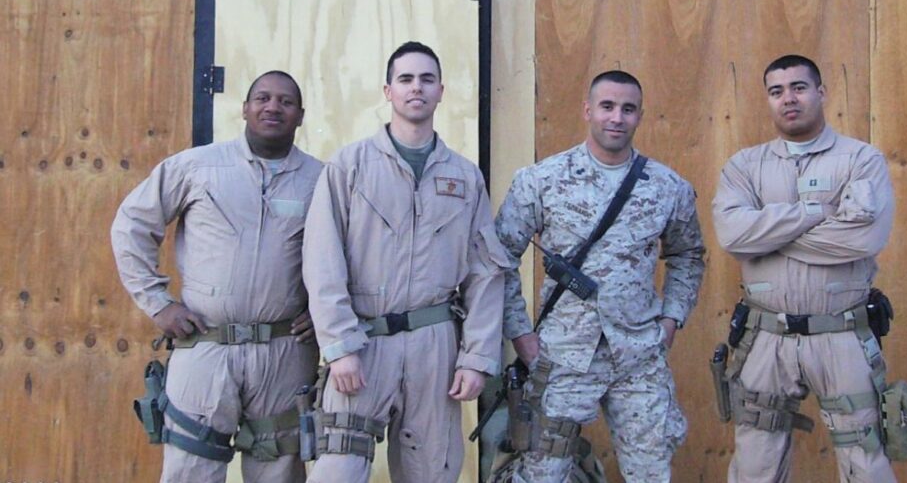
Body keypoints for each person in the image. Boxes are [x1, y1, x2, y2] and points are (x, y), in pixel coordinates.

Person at [302, 41, 508, 483]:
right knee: (336, 470)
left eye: (427, 79)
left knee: (431, 472)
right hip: (363, 342)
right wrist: (338, 346)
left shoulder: (464, 176)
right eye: (406, 79)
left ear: (441, 92)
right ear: (388, 90)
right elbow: (322, 259)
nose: (417, 88)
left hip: (435, 346)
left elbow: (485, 273)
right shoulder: (350, 165)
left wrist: (476, 357)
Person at [111, 71, 323, 483]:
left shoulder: (323, 180)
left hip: (285, 351)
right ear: (244, 108)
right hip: (205, 346)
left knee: (279, 468)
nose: (272, 107)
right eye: (262, 98)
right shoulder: (196, 167)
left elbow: (356, 254)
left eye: (285, 101)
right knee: (190, 467)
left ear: (300, 116)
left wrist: (325, 311)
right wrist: (159, 303)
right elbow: (131, 227)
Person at [494, 70, 706, 483]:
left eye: (628, 109)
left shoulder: (667, 187)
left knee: (651, 471)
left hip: (639, 355)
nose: (617, 118)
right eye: (607, 106)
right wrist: (520, 335)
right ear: (587, 111)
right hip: (560, 356)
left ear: (640, 116)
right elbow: (498, 260)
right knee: (543, 473)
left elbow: (688, 255)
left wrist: (670, 321)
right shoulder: (541, 181)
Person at [712, 54, 896, 483]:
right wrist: (817, 212)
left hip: (842, 336)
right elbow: (733, 235)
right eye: (776, 92)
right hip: (765, 338)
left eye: (798, 87)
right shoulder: (745, 166)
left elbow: (862, 238)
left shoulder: (860, 160)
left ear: (821, 92)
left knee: (865, 461)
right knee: (756, 463)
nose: (788, 99)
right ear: (768, 100)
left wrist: (769, 231)